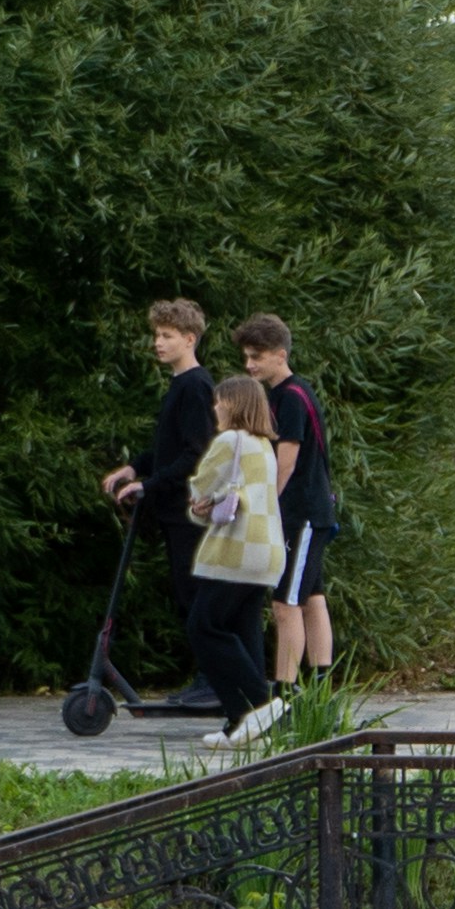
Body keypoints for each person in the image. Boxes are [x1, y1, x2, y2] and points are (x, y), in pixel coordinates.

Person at [93, 296, 230, 708]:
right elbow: (168, 447)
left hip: (190, 510)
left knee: (195, 594)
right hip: (174, 510)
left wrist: (149, 486)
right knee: (186, 594)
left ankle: (214, 681)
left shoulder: (196, 386)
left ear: (190, 339)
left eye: (167, 335)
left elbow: (196, 452)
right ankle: (209, 677)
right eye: (157, 335)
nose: (158, 342)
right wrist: (134, 468)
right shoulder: (179, 385)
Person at [176, 377, 287, 741]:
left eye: (220, 401)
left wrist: (198, 505)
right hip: (265, 553)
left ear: (234, 404)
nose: (215, 408)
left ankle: (261, 705)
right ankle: (242, 723)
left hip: (236, 552)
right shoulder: (264, 445)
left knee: (204, 626)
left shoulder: (230, 440)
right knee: (244, 631)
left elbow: (201, 486)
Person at [233, 314, 336, 686]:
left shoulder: (291, 397)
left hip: (300, 515)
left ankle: (286, 693)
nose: (249, 365)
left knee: (284, 604)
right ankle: (321, 688)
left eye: (257, 357)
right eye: (247, 357)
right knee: (311, 597)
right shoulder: (283, 394)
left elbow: (286, 463)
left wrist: (263, 508)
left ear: (280, 355)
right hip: (308, 513)